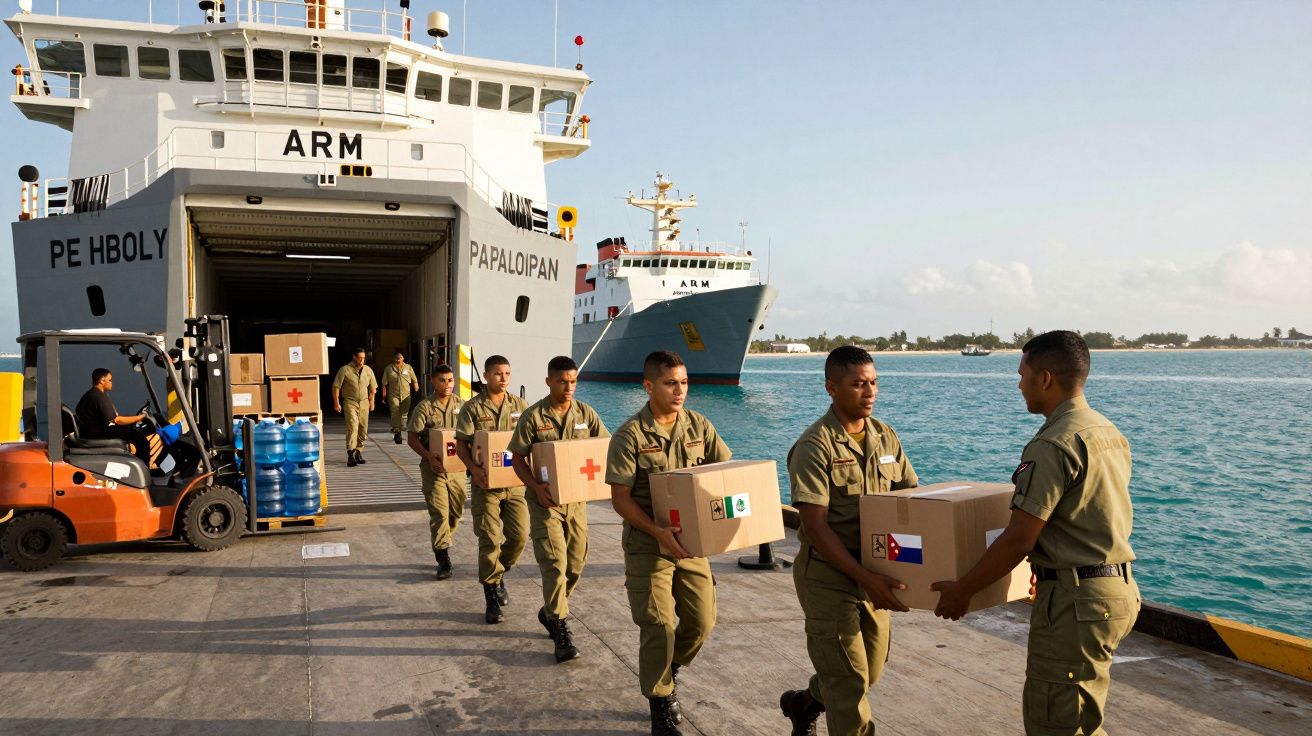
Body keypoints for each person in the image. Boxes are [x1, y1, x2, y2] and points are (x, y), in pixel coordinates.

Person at [930, 330, 1139, 736]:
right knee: (1081, 719)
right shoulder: (1107, 431)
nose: (1019, 383)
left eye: (1022, 373)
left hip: (1076, 603)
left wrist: (963, 589)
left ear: (1045, 379)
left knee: (1055, 724)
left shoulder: (1053, 444)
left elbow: (1019, 537)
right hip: (1116, 591)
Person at [780, 346, 918, 736]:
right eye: (858, 384)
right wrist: (866, 578)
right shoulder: (815, 446)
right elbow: (817, 528)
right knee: (849, 684)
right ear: (832, 388)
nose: (869, 391)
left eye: (873, 382)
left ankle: (804, 702)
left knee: (868, 670)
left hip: (875, 568)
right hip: (827, 573)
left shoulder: (886, 438)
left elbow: (912, 500)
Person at [606, 350, 730, 736]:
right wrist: (657, 530)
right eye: (671, 383)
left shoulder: (699, 426)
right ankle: (660, 701)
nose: (680, 391)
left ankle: (669, 667)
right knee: (658, 625)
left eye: (685, 382)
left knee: (701, 621)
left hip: (691, 545)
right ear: (649, 386)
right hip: (649, 545)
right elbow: (620, 498)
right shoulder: (630, 435)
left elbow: (723, 473)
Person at [508, 355, 609, 663]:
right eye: (563, 381)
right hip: (545, 503)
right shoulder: (534, 416)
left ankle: (551, 610)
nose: (569, 387)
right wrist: (536, 488)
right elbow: (517, 458)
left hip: (576, 502)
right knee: (554, 563)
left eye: (573, 381)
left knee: (575, 565)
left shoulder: (585, 414)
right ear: (549, 381)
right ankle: (561, 629)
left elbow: (604, 446)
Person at [454, 355, 529, 624]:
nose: (504, 378)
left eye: (507, 373)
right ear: (486, 376)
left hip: (515, 484)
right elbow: (461, 443)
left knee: (519, 536)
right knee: (489, 539)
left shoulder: (521, 406)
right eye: (498, 373)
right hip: (486, 484)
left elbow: (530, 441)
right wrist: (473, 470)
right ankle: (491, 596)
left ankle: (500, 571)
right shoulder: (472, 408)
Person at [406, 364, 466, 580]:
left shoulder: (462, 406)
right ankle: (443, 558)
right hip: (434, 469)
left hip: (458, 470)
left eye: (450, 380)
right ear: (432, 381)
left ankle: (442, 541)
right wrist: (429, 456)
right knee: (439, 513)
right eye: (442, 380)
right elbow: (412, 438)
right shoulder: (424, 408)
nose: (447, 384)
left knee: (456, 512)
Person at [74, 368, 151, 465]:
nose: (111, 383)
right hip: (98, 435)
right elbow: (117, 420)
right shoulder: (99, 396)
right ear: (102, 381)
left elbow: (110, 417)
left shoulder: (89, 395)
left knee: (130, 431)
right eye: (110, 380)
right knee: (140, 439)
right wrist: (140, 417)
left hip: (91, 433)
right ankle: (145, 469)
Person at [332, 347, 377, 467]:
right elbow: (336, 387)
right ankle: (350, 454)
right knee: (353, 426)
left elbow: (373, 388)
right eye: (360, 358)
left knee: (363, 428)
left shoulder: (368, 370)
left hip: (364, 402)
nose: (362, 360)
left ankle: (358, 451)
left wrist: (372, 402)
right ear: (354, 357)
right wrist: (336, 403)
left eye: (363, 358)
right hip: (350, 402)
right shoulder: (345, 370)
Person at [382, 350, 420, 444]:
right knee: (395, 411)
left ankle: (401, 428)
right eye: (396, 358)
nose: (398, 359)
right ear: (394, 358)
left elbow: (414, 379)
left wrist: (416, 385)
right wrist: (384, 395)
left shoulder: (408, 367)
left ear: (403, 358)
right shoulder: (389, 368)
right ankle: (397, 431)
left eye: (400, 357)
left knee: (404, 413)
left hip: (406, 394)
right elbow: (384, 383)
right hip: (393, 394)